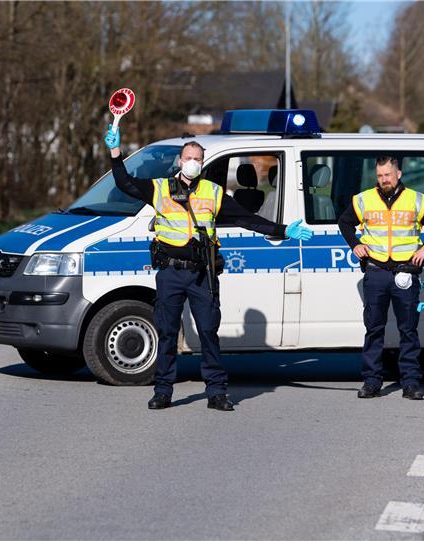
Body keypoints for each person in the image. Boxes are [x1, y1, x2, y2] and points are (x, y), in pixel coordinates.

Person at [104, 125, 313, 411]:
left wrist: (284, 229)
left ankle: (216, 392)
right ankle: (163, 390)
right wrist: (116, 153)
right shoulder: (160, 188)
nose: (193, 163)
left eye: (198, 159)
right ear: (180, 161)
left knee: (207, 332)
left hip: (203, 273)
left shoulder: (213, 193)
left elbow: (247, 219)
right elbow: (125, 183)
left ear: (202, 163)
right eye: (189, 158)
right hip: (171, 272)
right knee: (166, 332)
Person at [338, 156, 424, 400]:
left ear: (398, 174)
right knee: (373, 329)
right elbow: (344, 222)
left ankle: (410, 383)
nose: (384, 180)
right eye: (379, 175)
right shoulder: (364, 199)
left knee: (408, 330)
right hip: (376, 271)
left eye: (388, 174)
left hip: (405, 272)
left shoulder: (415, 200)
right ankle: (372, 382)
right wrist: (354, 244)